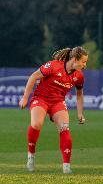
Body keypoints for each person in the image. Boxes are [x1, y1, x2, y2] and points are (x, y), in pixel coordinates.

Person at [19, 46, 88, 174]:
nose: (85, 65)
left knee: (64, 127)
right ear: (74, 59)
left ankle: (66, 166)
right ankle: (31, 157)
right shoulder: (54, 66)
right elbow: (33, 77)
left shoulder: (79, 76)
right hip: (41, 98)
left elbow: (79, 94)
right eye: (83, 62)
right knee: (36, 124)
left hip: (57, 102)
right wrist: (25, 98)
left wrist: (80, 113)